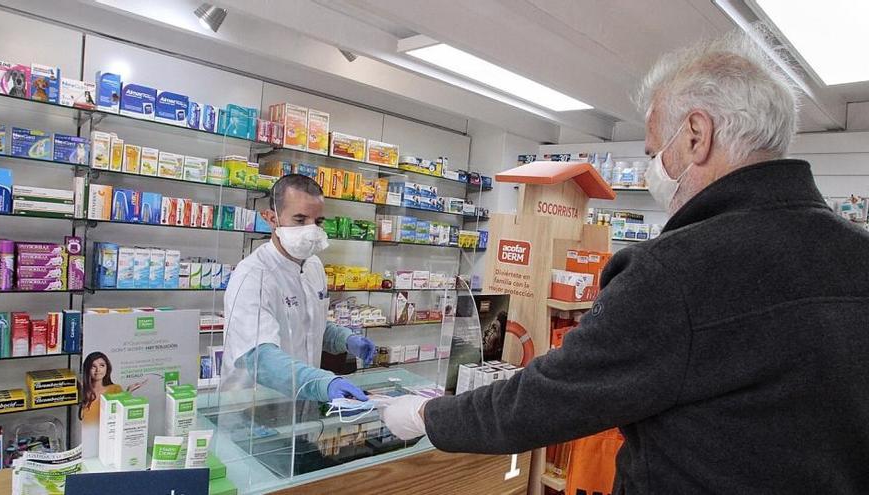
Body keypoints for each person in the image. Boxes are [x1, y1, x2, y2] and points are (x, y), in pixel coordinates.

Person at [378, 28, 869, 493]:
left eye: (656, 151)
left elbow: (549, 399)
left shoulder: (675, 271)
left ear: (697, 134)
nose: (656, 167)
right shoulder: (857, 252)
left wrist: (428, 417)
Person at [221, 174, 376, 402]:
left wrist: (344, 338)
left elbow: (308, 323)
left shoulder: (313, 266)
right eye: (300, 220)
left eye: (318, 222)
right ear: (272, 219)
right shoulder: (253, 275)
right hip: (252, 407)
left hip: (301, 400)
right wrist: (323, 382)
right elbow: (260, 359)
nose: (311, 230)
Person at [78, 351, 144, 422]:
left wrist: (128, 392)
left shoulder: (115, 389)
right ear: (87, 369)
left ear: (107, 367)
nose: (98, 370)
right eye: (93, 366)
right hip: (86, 431)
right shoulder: (83, 390)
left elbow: (121, 414)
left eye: (102, 365)